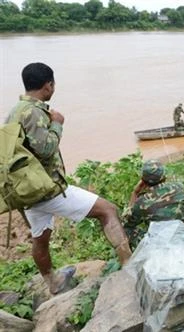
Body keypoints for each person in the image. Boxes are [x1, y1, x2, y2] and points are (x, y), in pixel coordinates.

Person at [5, 63, 132, 295]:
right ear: (48, 86)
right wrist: (58, 124)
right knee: (107, 210)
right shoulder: (34, 112)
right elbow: (45, 149)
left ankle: (53, 283)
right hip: (48, 188)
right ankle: (129, 266)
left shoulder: (15, 111)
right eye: (53, 84)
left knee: (40, 239)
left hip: (27, 190)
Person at [124, 159, 184, 249]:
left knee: (127, 230)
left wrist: (135, 193)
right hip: (183, 234)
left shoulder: (142, 202)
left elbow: (127, 222)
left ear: (143, 181)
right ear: (164, 177)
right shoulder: (179, 187)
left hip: (159, 244)